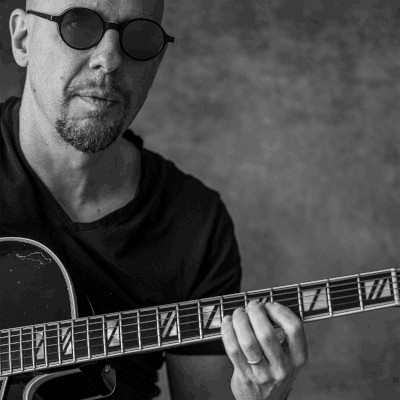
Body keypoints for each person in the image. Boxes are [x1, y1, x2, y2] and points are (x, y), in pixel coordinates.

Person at [1, 0, 308, 398]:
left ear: (157, 62)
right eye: (78, 26)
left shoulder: (194, 221)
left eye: (140, 37)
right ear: (23, 39)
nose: (110, 60)